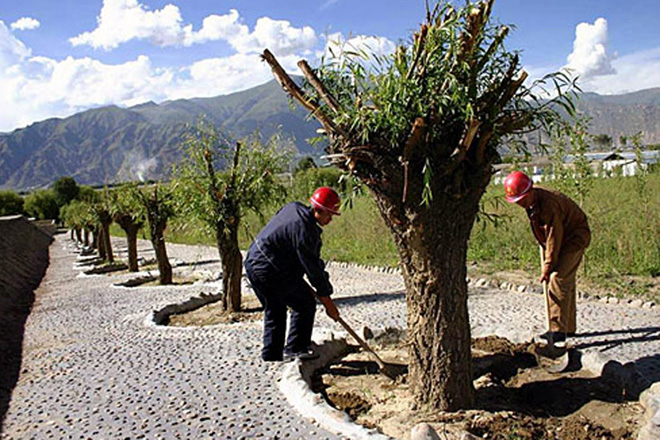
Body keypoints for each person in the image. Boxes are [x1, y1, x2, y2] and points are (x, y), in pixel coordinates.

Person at [244, 187, 341, 361]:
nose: (331, 219)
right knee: (304, 303)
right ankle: (296, 348)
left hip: (255, 260)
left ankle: (272, 355)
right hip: (269, 268)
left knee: (275, 307)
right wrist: (328, 302)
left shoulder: (293, 207)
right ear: (319, 210)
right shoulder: (306, 231)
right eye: (330, 214)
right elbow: (314, 271)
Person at [504, 171, 591, 346]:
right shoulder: (533, 202)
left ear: (530, 191)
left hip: (574, 238)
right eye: (517, 201)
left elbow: (554, 236)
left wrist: (548, 265)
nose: (520, 204)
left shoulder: (548, 205)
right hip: (560, 239)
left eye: (521, 199)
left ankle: (557, 332)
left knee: (557, 278)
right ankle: (569, 328)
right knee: (566, 281)